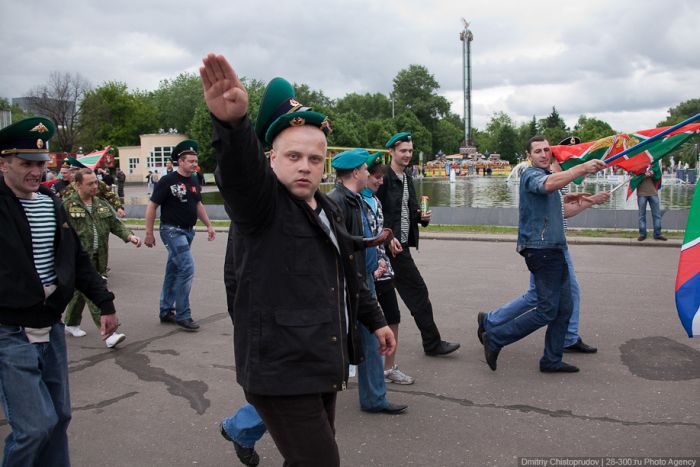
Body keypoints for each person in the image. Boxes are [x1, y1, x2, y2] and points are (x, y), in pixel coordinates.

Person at [201, 53, 395, 466]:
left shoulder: (330, 208)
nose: (304, 167)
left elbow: (347, 274)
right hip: (281, 369)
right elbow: (239, 176)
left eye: (313, 159)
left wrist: (375, 320)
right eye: (293, 157)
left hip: (322, 360)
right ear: (271, 158)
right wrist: (233, 126)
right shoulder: (262, 207)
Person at [0, 117, 120, 465]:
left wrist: (105, 302)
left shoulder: (52, 203)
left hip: (50, 328)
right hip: (10, 333)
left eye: (40, 164)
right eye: (26, 163)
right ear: (4, 163)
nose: (36, 171)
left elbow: (77, 261)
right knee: (34, 427)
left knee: (59, 419)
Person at [480, 136, 607, 373]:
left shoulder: (549, 178)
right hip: (541, 251)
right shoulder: (531, 174)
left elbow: (557, 204)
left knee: (565, 307)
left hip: (555, 249)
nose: (543, 154)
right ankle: (495, 337)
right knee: (547, 308)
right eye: (537, 151)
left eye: (546, 150)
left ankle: (551, 359)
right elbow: (547, 184)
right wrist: (581, 167)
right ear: (529, 156)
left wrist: (583, 201)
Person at [328, 148, 407, 414]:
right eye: (364, 169)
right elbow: (340, 246)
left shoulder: (354, 199)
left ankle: (374, 398)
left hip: (363, 280)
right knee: (330, 345)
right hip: (353, 284)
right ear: (355, 173)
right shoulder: (338, 202)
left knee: (372, 341)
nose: (368, 173)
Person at [377, 131, 461, 356]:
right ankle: (431, 343)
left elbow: (408, 210)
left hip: (400, 246)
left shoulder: (406, 177)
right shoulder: (383, 177)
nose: (407, 155)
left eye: (410, 151)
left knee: (405, 296)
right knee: (416, 293)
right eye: (403, 150)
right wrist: (388, 237)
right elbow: (376, 212)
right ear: (391, 152)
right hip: (387, 248)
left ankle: (430, 343)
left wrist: (421, 217)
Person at [62, 168, 141, 347]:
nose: (94, 186)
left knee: (81, 292)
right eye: (90, 184)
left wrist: (129, 236)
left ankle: (71, 323)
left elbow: (115, 224)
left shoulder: (101, 204)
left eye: (96, 182)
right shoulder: (67, 205)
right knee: (96, 292)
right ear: (78, 184)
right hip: (80, 258)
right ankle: (109, 332)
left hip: (100, 256)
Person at [144, 139, 216, 331]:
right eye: (191, 161)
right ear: (181, 162)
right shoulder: (167, 181)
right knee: (187, 268)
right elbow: (152, 206)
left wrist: (209, 225)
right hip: (172, 230)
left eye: (195, 161)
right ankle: (183, 315)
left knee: (174, 270)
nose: (194, 164)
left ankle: (166, 310)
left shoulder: (193, 180)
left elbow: (198, 204)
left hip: (188, 231)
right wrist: (149, 232)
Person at [362, 152, 415, 384]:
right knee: (363, 324)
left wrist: (390, 237)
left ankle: (388, 368)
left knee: (393, 316)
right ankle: (363, 370)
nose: (380, 182)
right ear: (363, 176)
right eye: (376, 177)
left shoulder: (375, 200)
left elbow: (380, 227)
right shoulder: (353, 201)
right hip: (367, 273)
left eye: (381, 178)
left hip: (384, 270)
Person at [60, 158, 126, 217]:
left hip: (98, 216)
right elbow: (64, 205)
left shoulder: (98, 184)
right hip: (79, 219)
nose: (72, 175)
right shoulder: (69, 188)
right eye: (71, 172)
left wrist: (118, 208)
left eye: (74, 172)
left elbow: (111, 195)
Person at [636, 160, 667, 241]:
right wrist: (643, 174)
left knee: (657, 214)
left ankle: (657, 234)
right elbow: (633, 174)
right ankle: (642, 234)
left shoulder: (654, 161)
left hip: (653, 192)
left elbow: (657, 173)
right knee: (641, 215)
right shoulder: (637, 162)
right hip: (641, 193)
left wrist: (652, 173)